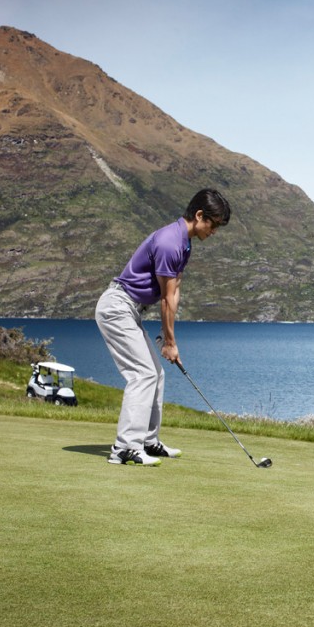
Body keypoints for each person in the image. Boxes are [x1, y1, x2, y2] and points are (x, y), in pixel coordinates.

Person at [95, 188, 232, 466]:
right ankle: (124, 449)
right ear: (199, 215)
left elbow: (175, 289)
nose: (215, 231)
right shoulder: (171, 242)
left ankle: (148, 441)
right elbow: (167, 300)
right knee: (143, 374)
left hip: (131, 310)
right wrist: (169, 342)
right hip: (117, 307)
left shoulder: (184, 243)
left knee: (155, 374)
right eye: (214, 224)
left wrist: (168, 337)